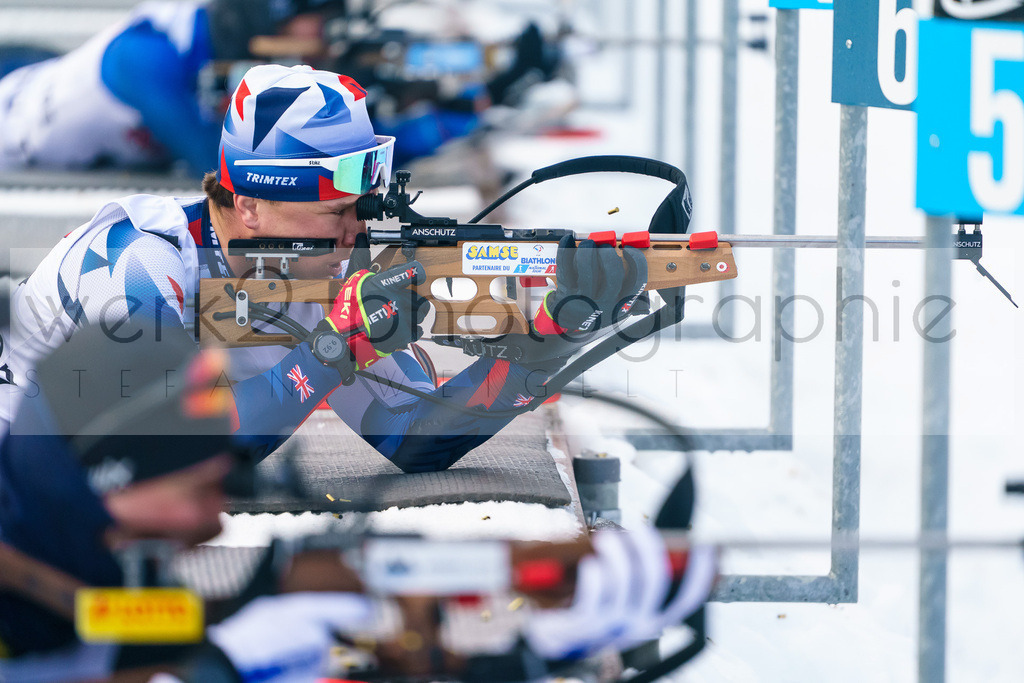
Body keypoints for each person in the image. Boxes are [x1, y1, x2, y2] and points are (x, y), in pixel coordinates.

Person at [0, 63, 648, 475]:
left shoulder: (314, 269)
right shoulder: (139, 261)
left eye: (362, 209)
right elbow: (181, 447)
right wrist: (334, 351)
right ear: (249, 204)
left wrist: (543, 345)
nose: (355, 231)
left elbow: (413, 437)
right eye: (335, 211)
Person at [0, 0, 345, 177]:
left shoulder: (204, 47)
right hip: (12, 114)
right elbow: (221, 166)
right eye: (321, 22)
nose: (327, 38)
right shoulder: (147, 57)